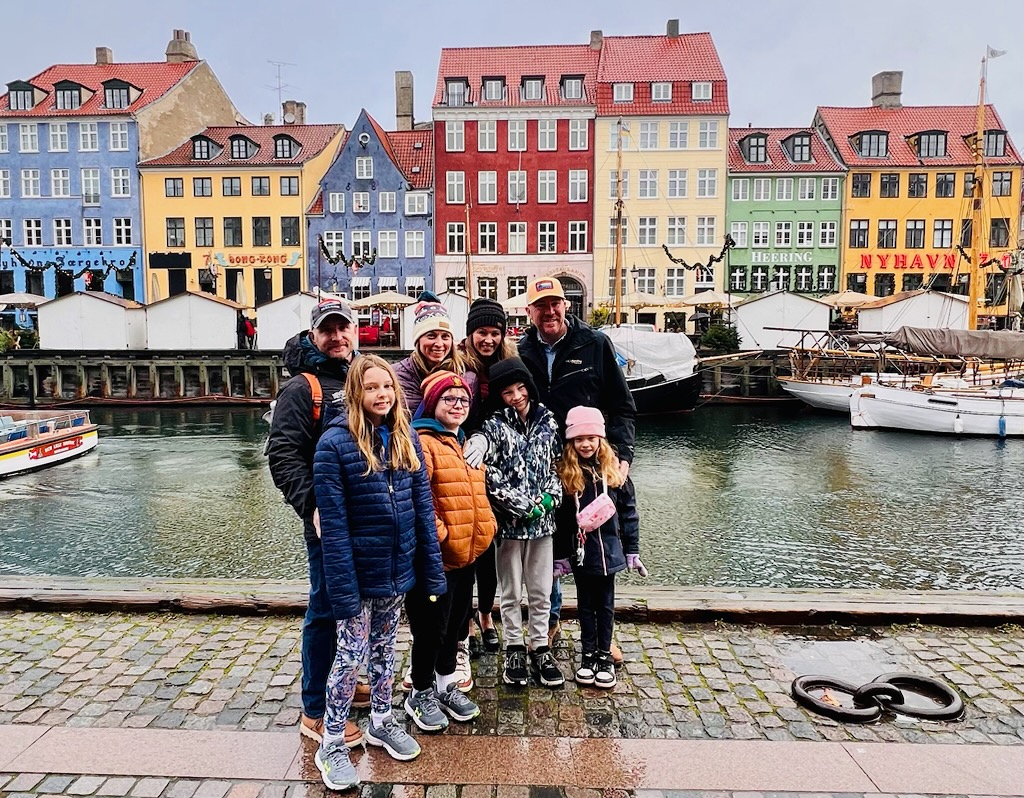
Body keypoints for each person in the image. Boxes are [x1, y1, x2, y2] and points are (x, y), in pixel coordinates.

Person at [312, 355, 447, 790]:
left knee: (386, 650)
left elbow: (423, 509)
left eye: (387, 386)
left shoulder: (406, 438)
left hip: (397, 570)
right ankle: (332, 741)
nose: (382, 394)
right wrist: (344, 591)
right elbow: (333, 529)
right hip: (358, 572)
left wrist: (431, 570)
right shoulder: (334, 446)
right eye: (371, 387)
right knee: (349, 657)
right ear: (356, 392)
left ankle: (382, 719)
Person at [516, 277, 636, 659]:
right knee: (551, 546)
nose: (549, 311)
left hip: (591, 464)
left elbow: (622, 406)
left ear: (566, 306)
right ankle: (550, 621)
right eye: (541, 306)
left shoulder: (594, 344)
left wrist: (622, 456)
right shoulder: (522, 351)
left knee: (598, 549)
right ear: (529, 311)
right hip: (543, 465)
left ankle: (601, 635)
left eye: (555, 303)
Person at [266, 297, 365, 749]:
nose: (337, 337)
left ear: (355, 331)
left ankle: (346, 681)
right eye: (328, 330)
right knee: (325, 608)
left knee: (357, 607)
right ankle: (316, 710)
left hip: (367, 515)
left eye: (344, 328)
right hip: (328, 521)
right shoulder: (302, 388)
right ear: (313, 335)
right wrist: (312, 507)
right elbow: (283, 456)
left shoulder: (362, 374)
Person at [404, 371, 496, 732]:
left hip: (466, 556)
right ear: (432, 403)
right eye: (449, 399)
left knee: (456, 625)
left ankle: (445, 685)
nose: (458, 405)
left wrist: (485, 527)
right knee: (430, 629)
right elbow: (418, 499)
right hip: (436, 558)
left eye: (463, 400)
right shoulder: (423, 443)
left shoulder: (462, 442)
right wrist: (443, 536)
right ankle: (420, 692)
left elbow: (475, 495)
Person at [480, 357, 564, 688]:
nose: (516, 396)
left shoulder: (548, 421)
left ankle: (539, 645)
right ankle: (514, 646)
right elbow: (490, 475)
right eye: (507, 392)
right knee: (511, 590)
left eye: (520, 388)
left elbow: (557, 465)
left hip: (543, 526)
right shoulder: (494, 426)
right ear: (498, 395)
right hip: (509, 525)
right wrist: (521, 506)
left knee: (542, 590)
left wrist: (549, 499)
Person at [554, 406, 645, 689]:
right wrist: (561, 557)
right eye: (579, 439)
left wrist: (632, 550)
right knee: (585, 606)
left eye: (591, 438)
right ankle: (588, 655)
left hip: (610, 552)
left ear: (600, 439)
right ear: (571, 442)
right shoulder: (567, 475)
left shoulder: (614, 473)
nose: (585, 444)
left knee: (605, 606)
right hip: (582, 553)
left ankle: (604, 655)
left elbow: (629, 513)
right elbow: (561, 521)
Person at [459, 297, 517, 654]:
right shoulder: (458, 364)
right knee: (467, 548)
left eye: (495, 332)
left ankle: (485, 615)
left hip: (496, 466)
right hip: (464, 464)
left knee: (489, 548)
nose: (489, 339)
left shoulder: (508, 364)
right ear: (470, 334)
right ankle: (466, 618)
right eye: (482, 332)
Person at [394, 298, 474, 414]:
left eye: (445, 336)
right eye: (431, 336)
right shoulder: (398, 376)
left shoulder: (468, 376)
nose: (439, 344)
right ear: (418, 340)